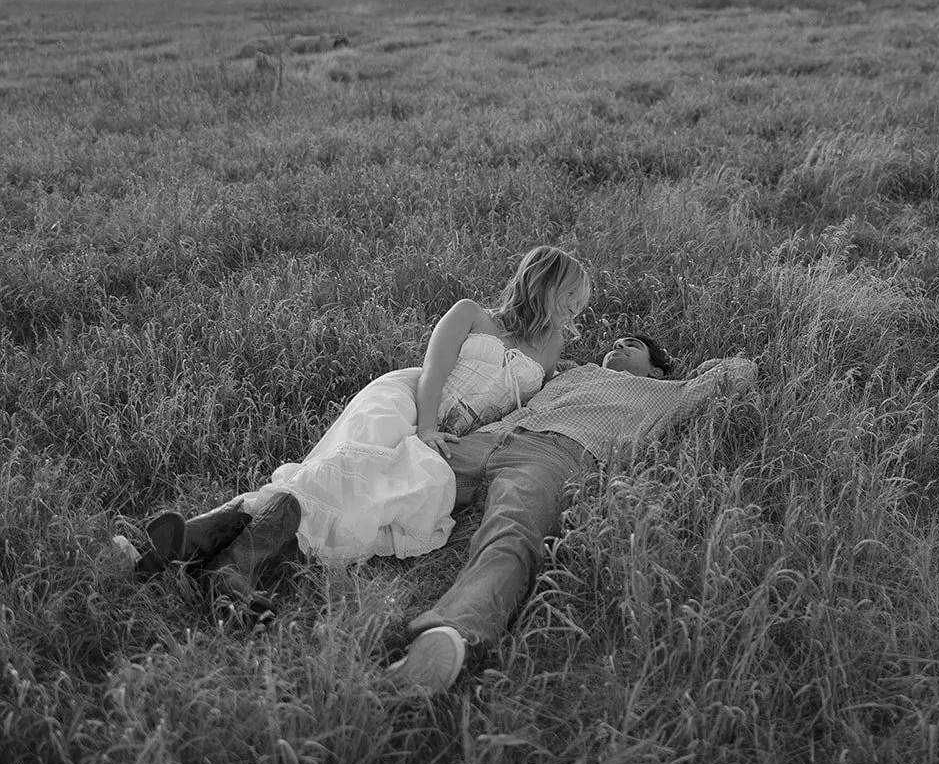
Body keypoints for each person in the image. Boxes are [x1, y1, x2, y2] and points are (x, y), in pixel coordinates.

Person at [123, 246, 591, 606]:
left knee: (365, 496)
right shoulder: (471, 313)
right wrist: (425, 428)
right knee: (339, 474)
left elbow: (532, 402)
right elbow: (432, 373)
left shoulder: (550, 348)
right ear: (544, 285)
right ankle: (228, 572)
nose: (577, 310)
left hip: (458, 434)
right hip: (409, 401)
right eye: (571, 297)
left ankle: (194, 542)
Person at [383, 333, 759, 692]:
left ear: (657, 369)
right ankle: (328, 540)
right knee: (389, 477)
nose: (619, 345)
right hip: (486, 438)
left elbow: (740, 371)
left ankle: (451, 634)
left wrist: (706, 367)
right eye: (616, 342)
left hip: (554, 457)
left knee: (512, 534)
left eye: (633, 345)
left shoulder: (670, 393)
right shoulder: (572, 371)